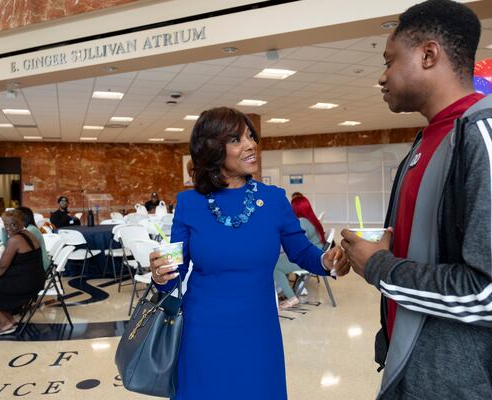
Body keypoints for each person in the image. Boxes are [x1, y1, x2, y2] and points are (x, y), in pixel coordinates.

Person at [340, 1, 492, 399]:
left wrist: (379, 265)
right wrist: (378, 250)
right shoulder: (426, 141)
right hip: (414, 369)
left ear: (429, 54)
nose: (382, 76)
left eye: (390, 61)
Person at [149, 107, 349, 400]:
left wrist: (326, 260)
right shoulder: (189, 203)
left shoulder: (273, 200)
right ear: (213, 150)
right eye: (236, 140)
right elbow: (173, 277)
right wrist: (160, 273)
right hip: (203, 331)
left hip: (258, 330)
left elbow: (301, 252)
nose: (250, 144)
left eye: (250, 136)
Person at [0, 209, 45, 337]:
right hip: (36, 279)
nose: (9, 228)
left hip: (27, 283)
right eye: (6, 225)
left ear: (21, 222)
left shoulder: (15, 240)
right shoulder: (28, 233)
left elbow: (2, 265)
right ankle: (10, 320)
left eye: (13, 224)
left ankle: (5, 322)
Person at [275, 195, 327, 309]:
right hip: (317, 256)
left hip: (310, 259)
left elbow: (297, 244)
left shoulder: (302, 222)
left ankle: (291, 298)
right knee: (281, 258)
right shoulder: (312, 220)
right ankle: (283, 288)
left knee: (276, 266)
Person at [1, 207, 50, 271]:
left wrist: (5, 232)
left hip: (40, 265)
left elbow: (8, 246)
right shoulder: (29, 229)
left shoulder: (31, 230)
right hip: (34, 262)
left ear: (22, 219)